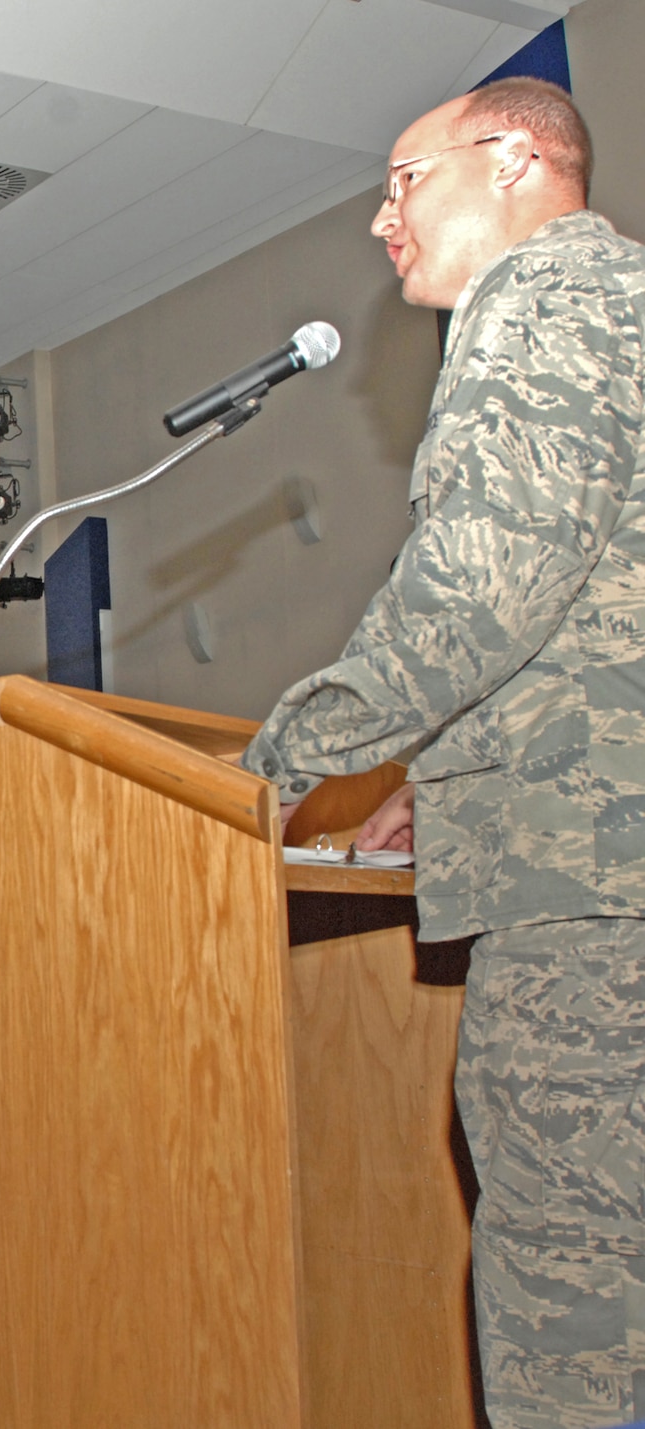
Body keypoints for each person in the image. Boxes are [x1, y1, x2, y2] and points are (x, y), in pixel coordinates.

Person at [234, 77, 631, 1428]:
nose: (380, 217)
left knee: (576, 1307)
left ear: (514, 159)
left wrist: (280, 764)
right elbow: (597, 612)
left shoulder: (540, 303)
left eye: (406, 180)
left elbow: (485, 587)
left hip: (587, 904)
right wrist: (438, 778)